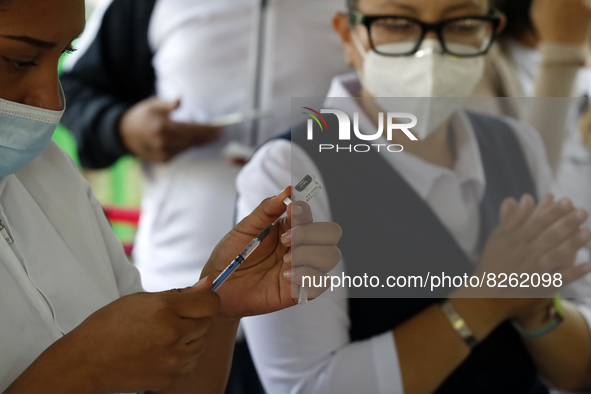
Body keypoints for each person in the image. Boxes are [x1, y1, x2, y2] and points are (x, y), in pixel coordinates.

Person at [235, 0, 591, 392]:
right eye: (396, 22)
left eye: (462, 22)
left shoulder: (517, 146)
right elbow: (306, 386)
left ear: (489, 32)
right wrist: (485, 300)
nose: (431, 50)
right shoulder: (290, 171)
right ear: (347, 36)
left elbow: (578, 370)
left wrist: (539, 312)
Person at [0, 0, 342, 392]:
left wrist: (219, 304)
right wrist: (121, 127)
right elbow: (87, 89)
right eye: (19, 60)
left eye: (64, 55)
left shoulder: (51, 177)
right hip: (170, 264)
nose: (52, 101)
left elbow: (159, 380)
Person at [59, 0, 350, 293]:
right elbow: (72, 90)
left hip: (320, 278)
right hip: (178, 275)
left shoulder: (362, 10)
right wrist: (121, 127)